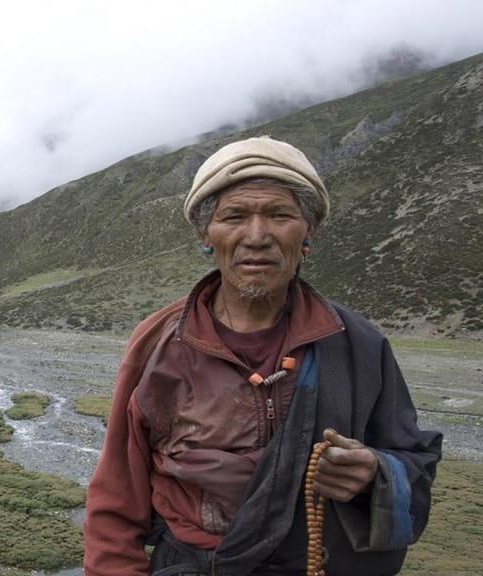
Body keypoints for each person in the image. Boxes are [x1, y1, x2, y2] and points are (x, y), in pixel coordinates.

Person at [83, 136, 442, 576]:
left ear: (308, 231)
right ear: (206, 234)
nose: (257, 236)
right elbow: (117, 494)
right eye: (234, 216)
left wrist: (374, 474)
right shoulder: (159, 342)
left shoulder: (357, 343)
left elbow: (412, 457)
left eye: (279, 215)